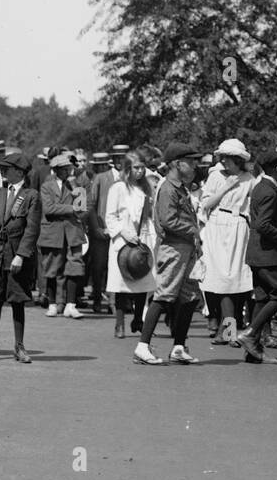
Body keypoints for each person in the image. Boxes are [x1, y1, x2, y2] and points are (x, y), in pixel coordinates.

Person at [131, 143, 205, 365]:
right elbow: (167, 220)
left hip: (186, 249)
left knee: (190, 297)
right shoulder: (168, 188)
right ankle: (142, 346)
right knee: (164, 295)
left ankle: (179, 347)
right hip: (173, 249)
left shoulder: (179, 187)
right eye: (190, 161)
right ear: (176, 163)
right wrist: (193, 230)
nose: (194, 166)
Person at [235, 148, 277, 365]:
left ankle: (253, 352)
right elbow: (262, 224)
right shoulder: (268, 190)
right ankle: (250, 334)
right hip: (267, 254)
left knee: (262, 298)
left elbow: (268, 216)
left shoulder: (264, 187)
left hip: (259, 253)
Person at [198, 139, 255, 346]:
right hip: (218, 225)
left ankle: (227, 329)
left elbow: (253, 204)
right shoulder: (215, 176)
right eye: (222, 158)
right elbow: (205, 205)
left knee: (236, 279)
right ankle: (230, 331)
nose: (224, 162)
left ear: (238, 160)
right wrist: (225, 187)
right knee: (223, 279)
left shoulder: (249, 179)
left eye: (228, 159)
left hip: (239, 225)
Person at [0, 149, 41, 362]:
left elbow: (32, 229)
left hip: (16, 257)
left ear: (19, 172)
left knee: (17, 301)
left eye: (6, 168)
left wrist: (21, 255)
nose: (2, 171)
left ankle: (19, 346)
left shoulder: (31, 195)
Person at [105, 148, 158, 340]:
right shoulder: (118, 188)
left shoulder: (146, 188)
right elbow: (110, 216)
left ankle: (138, 319)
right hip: (123, 240)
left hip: (142, 236)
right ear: (127, 169)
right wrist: (124, 232)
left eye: (142, 168)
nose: (140, 172)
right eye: (136, 168)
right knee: (122, 283)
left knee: (141, 278)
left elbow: (150, 215)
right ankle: (119, 323)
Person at [38, 152, 87, 318]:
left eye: (69, 168)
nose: (68, 172)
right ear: (56, 170)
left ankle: (71, 305)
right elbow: (49, 209)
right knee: (52, 267)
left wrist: (75, 190)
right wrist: (70, 209)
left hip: (72, 231)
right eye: (65, 169)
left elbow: (82, 209)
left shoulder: (76, 185)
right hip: (53, 232)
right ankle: (52, 303)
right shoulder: (47, 186)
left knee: (75, 266)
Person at [84, 151, 116, 314]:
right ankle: (97, 299)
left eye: (101, 165)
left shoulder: (119, 177)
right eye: (97, 166)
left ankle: (113, 301)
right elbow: (90, 205)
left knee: (114, 267)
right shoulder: (98, 179)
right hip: (101, 230)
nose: (99, 168)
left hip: (116, 230)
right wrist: (96, 228)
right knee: (98, 267)